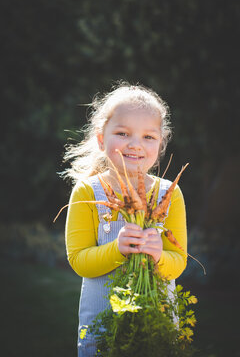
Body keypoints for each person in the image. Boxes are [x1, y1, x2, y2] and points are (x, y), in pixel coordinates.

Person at [63, 82, 187, 356]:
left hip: (158, 322)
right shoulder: (87, 192)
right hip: (103, 323)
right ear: (100, 138)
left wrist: (159, 256)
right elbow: (79, 260)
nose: (135, 145)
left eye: (148, 137)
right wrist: (117, 249)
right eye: (122, 133)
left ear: (161, 143)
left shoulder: (170, 193)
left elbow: (178, 263)